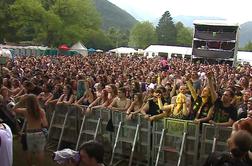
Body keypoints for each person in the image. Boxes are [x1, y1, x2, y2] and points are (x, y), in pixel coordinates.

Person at [13, 94, 48, 166]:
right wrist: (40, 120)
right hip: (39, 132)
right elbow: (45, 124)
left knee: (29, 151)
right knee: (40, 151)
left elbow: (14, 109)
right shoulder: (41, 111)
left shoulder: (26, 111)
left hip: (29, 133)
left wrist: (20, 101)